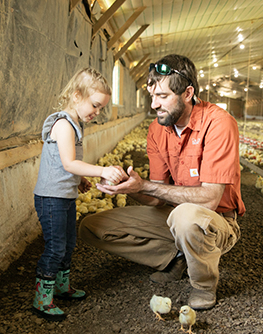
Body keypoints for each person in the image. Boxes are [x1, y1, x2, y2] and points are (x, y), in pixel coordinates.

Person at [79, 54, 245, 310]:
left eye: (163, 97)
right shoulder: (158, 129)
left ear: (188, 93)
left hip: (217, 220)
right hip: (174, 215)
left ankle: (203, 284)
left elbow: (211, 199)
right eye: (152, 97)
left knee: (187, 217)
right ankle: (175, 258)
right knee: (92, 226)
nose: (154, 104)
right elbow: (156, 198)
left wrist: (146, 186)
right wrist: (130, 186)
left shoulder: (219, 123)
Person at [32, 68, 126, 321]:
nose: (97, 112)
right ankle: (42, 299)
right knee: (55, 247)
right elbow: (68, 163)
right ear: (76, 96)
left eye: (101, 108)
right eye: (95, 105)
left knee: (69, 243)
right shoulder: (63, 125)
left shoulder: (74, 125)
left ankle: (61, 287)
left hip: (64, 196)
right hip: (51, 198)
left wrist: (80, 180)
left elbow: (68, 165)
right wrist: (101, 171)